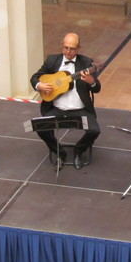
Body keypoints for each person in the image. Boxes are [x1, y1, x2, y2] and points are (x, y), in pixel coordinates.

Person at [30, 32, 101, 169]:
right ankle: (59, 152)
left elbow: (97, 88)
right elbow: (35, 78)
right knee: (41, 128)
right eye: (66, 48)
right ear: (62, 46)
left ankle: (78, 150)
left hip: (80, 110)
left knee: (94, 130)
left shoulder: (86, 63)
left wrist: (91, 81)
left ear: (78, 48)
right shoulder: (52, 61)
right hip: (56, 108)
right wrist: (40, 85)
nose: (68, 52)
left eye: (72, 49)